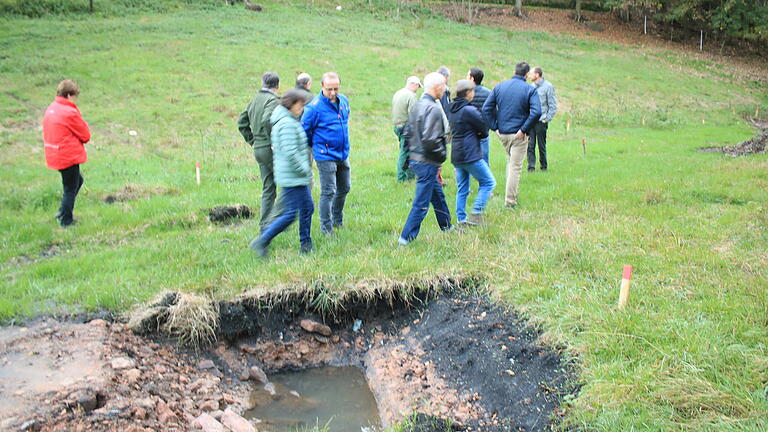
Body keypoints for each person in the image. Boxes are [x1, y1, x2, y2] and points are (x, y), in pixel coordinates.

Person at [249, 90, 314, 257]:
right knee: (291, 214)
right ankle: (262, 241)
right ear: (291, 105)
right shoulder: (286, 124)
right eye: (300, 105)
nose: (302, 108)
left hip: (295, 176)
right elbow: (290, 152)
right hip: (292, 176)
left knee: (307, 208)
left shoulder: (289, 120)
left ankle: (306, 244)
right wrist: (304, 168)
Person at [398, 72, 452, 245]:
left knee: (438, 195)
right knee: (421, 202)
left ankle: (447, 226)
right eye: (443, 86)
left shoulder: (418, 105)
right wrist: (441, 156)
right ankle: (405, 238)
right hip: (427, 161)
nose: (445, 89)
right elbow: (431, 139)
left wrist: (409, 157)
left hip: (417, 158)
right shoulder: (433, 108)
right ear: (437, 87)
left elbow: (407, 132)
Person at [482, 62, 541, 209]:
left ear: (514, 71)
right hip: (519, 134)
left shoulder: (500, 87)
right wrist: (524, 129)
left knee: (510, 162)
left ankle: (510, 195)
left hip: (503, 132)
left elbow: (486, 108)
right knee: (515, 166)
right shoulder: (530, 89)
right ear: (526, 75)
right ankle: (510, 201)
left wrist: (494, 127)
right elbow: (536, 112)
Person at [301, 72, 351, 235]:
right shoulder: (314, 108)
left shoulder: (343, 101)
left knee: (344, 188)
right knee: (329, 191)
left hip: (343, 153)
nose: (333, 92)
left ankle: (337, 219)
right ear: (322, 86)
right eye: (329, 89)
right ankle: (326, 228)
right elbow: (304, 131)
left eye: (336, 88)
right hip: (325, 154)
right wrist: (317, 145)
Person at [237, 72, 281, 233]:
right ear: (277, 85)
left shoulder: (254, 100)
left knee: (268, 187)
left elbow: (241, 122)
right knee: (289, 182)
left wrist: (253, 141)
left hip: (259, 149)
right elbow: (266, 120)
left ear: (263, 83)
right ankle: (281, 220)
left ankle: (265, 225)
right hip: (270, 149)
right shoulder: (273, 100)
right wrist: (272, 141)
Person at [448, 80, 496, 226]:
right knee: (489, 182)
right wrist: (480, 134)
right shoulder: (469, 110)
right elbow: (483, 127)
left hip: (456, 154)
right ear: (468, 93)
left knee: (462, 188)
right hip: (470, 154)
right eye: (473, 91)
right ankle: (476, 212)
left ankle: (461, 219)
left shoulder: (451, 108)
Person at [44, 80, 91, 228]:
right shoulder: (69, 112)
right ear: (69, 95)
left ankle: (63, 211)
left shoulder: (52, 108)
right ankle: (66, 221)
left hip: (54, 152)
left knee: (77, 181)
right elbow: (85, 135)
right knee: (70, 188)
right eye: (75, 95)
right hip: (67, 156)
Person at [527, 66, 557, 172]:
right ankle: (531, 167)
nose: (529, 75)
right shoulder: (530, 87)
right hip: (531, 120)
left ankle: (543, 167)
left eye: (531, 73)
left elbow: (552, 105)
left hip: (541, 120)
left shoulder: (548, 86)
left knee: (541, 145)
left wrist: (547, 119)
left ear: (537, 74)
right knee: (530, 145)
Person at [391, 76, 421, 182]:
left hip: (397, 126)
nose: (418, 89)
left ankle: (408, 177)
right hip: (406, 128)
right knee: (406, 153)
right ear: (414, 84)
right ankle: (403, 178)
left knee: (404, 151)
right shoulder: (411, 96)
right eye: (418, 86)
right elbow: (414, 114)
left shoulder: (398, 93)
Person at [467, 67, 491, 165]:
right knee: (484, 160)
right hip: (483, 131)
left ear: (472, 78)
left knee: (466, 160)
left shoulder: (466, 93)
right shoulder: (489, 93)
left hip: (468, 131)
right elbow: (491, 112)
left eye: (467, 75)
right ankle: (485, 179)